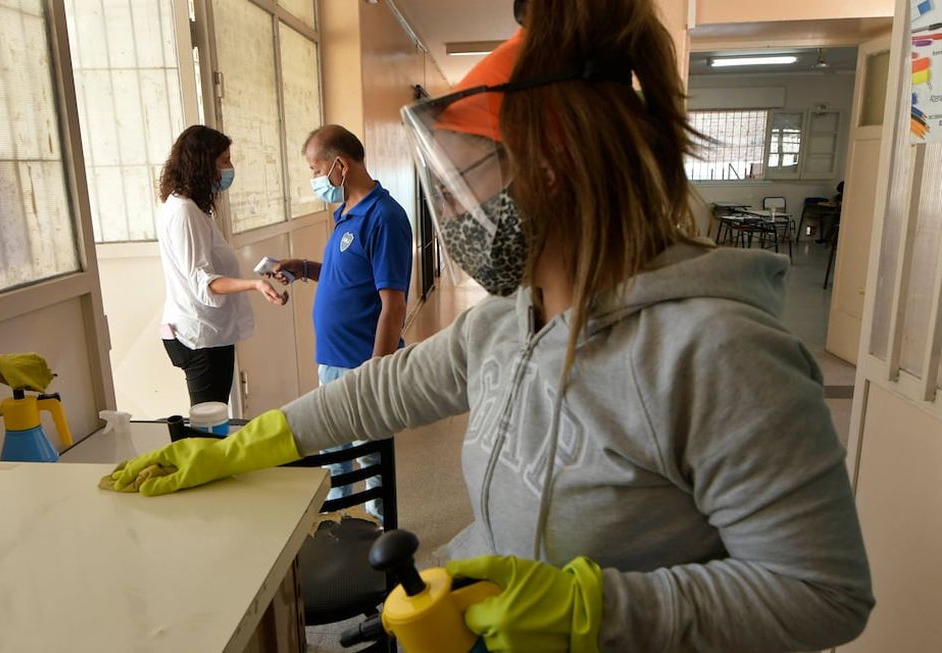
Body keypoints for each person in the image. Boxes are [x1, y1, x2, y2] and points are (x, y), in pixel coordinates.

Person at [109, 2, 873, 652]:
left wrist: (594, 610)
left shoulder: (722, 354)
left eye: (466, 177)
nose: (451, 214)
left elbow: (823, 591)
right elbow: (370, 396)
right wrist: (244, 445)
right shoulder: (510, 321)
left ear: (552, 167)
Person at [271, 125, 413, 522]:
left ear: (340, 165)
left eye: (316, 170)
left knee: (371, 461)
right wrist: (302, 268)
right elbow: (346, 278)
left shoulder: (384, 217)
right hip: (332, 363)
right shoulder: (345, 214)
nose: (315, 180)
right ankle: (338, 531)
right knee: (335, 460)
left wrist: (375, 370)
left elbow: (394, 304)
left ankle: (383, 538)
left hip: (362, 366)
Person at [157, 125, 287, 406]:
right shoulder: (184, 211)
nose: (230, 168)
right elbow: (204, 281)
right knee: (208, 426)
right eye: (224, 160)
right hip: (199, 336)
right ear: (203, 164)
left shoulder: (188, 207)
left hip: (206, 331)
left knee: (212, 420)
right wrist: (254, 284)